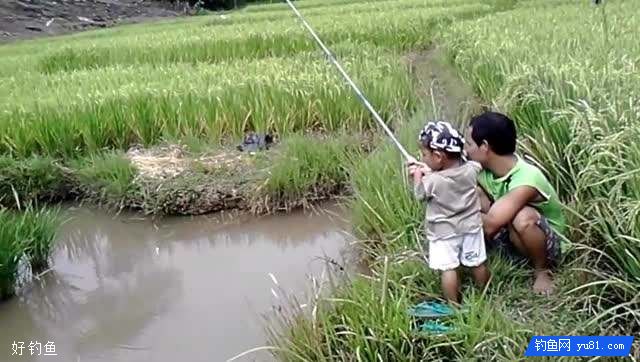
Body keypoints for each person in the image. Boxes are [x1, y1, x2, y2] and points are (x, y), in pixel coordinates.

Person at [463, 111, 567, 295]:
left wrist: (453, 205)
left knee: (522, 217)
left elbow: (491, 225)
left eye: (469, 144)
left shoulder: (527, 178)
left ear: (485, 146)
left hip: (547, 246)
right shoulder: (483, 169)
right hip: (511, 235)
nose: (465, 150)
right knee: (475, 192)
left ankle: (542, 271)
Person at [408, 120, 490, 304]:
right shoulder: (471, 169)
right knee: (478, 262)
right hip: (471, 226)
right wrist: (430, 169)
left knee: (449, 269)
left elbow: (420, 194)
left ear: (438, 156)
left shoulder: (432, 182)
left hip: (443, 233)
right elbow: (452, 171)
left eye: (425, 154)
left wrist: (417, 176)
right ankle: (486, 294)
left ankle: (454, 305)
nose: (423, 158)